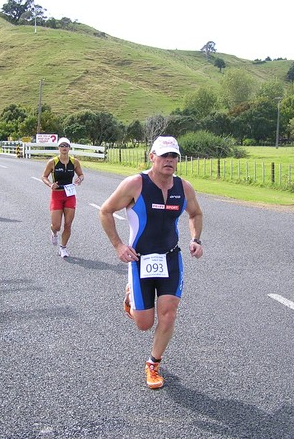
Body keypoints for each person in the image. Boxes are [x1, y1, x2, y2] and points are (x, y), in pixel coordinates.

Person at [99, 136, 203, 389]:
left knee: (168, 314)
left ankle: (153, 364)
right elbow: (105, 211)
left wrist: (196, 239)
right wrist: (119, 246)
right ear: (152, 157)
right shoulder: (136, 184)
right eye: (164, 156)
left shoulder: (184, 187)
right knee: (144, 324)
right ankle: (130, 298)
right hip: (140, 260)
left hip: (170, 258)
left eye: (173, 156)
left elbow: (196, 213)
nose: (169, 161)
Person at [41, 137, 84, 258]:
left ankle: (63, 247)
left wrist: (79, 179)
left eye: (66, 146)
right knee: (56, 226)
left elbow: (81, 174)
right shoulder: (52, 162)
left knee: (68, 224)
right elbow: (44, 176)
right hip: (57, 195)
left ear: (69, 148)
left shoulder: (74, 162)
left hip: (70, 194)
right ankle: (53, 233)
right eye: (62, 146)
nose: (64, 148)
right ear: (58, 148)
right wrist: (50, 184)